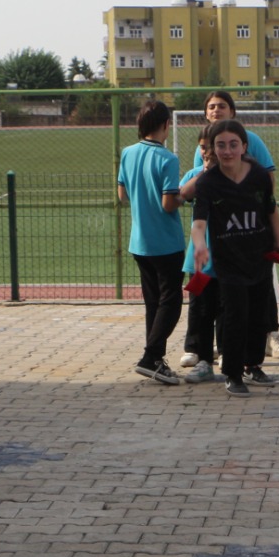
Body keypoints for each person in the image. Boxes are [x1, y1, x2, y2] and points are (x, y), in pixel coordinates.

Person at [189, 90, 279, 361]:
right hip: (223, 243)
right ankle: (219, 355)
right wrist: (200, 243)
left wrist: (276, 238)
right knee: (224, 302)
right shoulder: (205, 161)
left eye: (221, 106)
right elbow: (197, 199)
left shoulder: (251, 149)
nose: (215, 111)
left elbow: (268, 191)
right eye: (211, 106)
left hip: (252, 237)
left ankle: (268, 339)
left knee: (260, 293)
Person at [117, 100, 190, 385]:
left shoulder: (127, 153)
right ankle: (150, 356)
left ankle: (155, 359)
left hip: (139, 241)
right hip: (166, 241)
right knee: (171, 301)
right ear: (164, 125)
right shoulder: (168, 159)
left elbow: (122, 196)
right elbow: (168, 203)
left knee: (153, 302)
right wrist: (186, 195)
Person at [176, 131, 220, 383]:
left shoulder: (231, 175)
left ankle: (225, 352)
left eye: (209, 146)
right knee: (200, 306)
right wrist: (205, 172)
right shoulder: (195, 175)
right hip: (201, 255)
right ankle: (199, 354)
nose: (205, 151)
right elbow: (183, 194)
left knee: (225, 307)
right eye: (202, 147)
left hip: (226, 253)